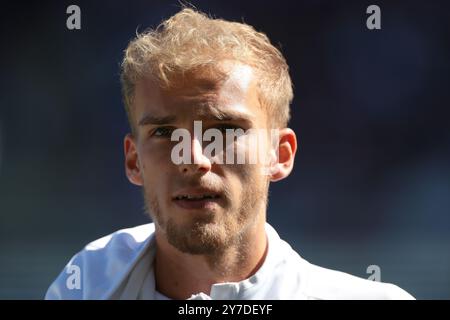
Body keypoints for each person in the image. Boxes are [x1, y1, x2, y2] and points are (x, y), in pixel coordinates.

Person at [45, 8, 414, 300]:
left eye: (224, 130)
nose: (192, 158)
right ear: (133, 160)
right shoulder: (86, 285)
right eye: (163, 132)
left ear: (280, 154)